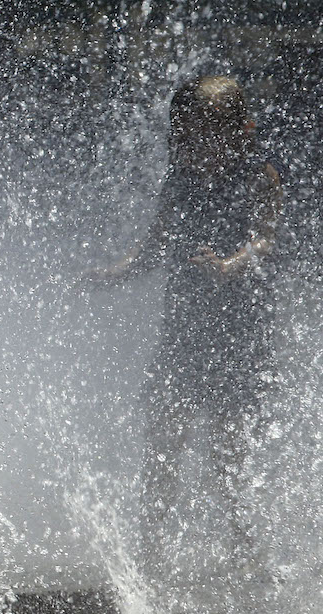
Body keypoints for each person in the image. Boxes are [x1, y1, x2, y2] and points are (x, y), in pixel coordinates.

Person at [88, 75, 284, 542]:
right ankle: (150, 546)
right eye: (183, 140)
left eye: (203, 140)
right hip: (184, 326)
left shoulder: (260, 176)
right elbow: (153, 249)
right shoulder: (180, 180)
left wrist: (229, 264)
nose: (191, 152)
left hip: (240, 330)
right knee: (162, 438)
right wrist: (116, 273)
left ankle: (243, 543)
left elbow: (265, 240)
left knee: (227, 455)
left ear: (241, 133)